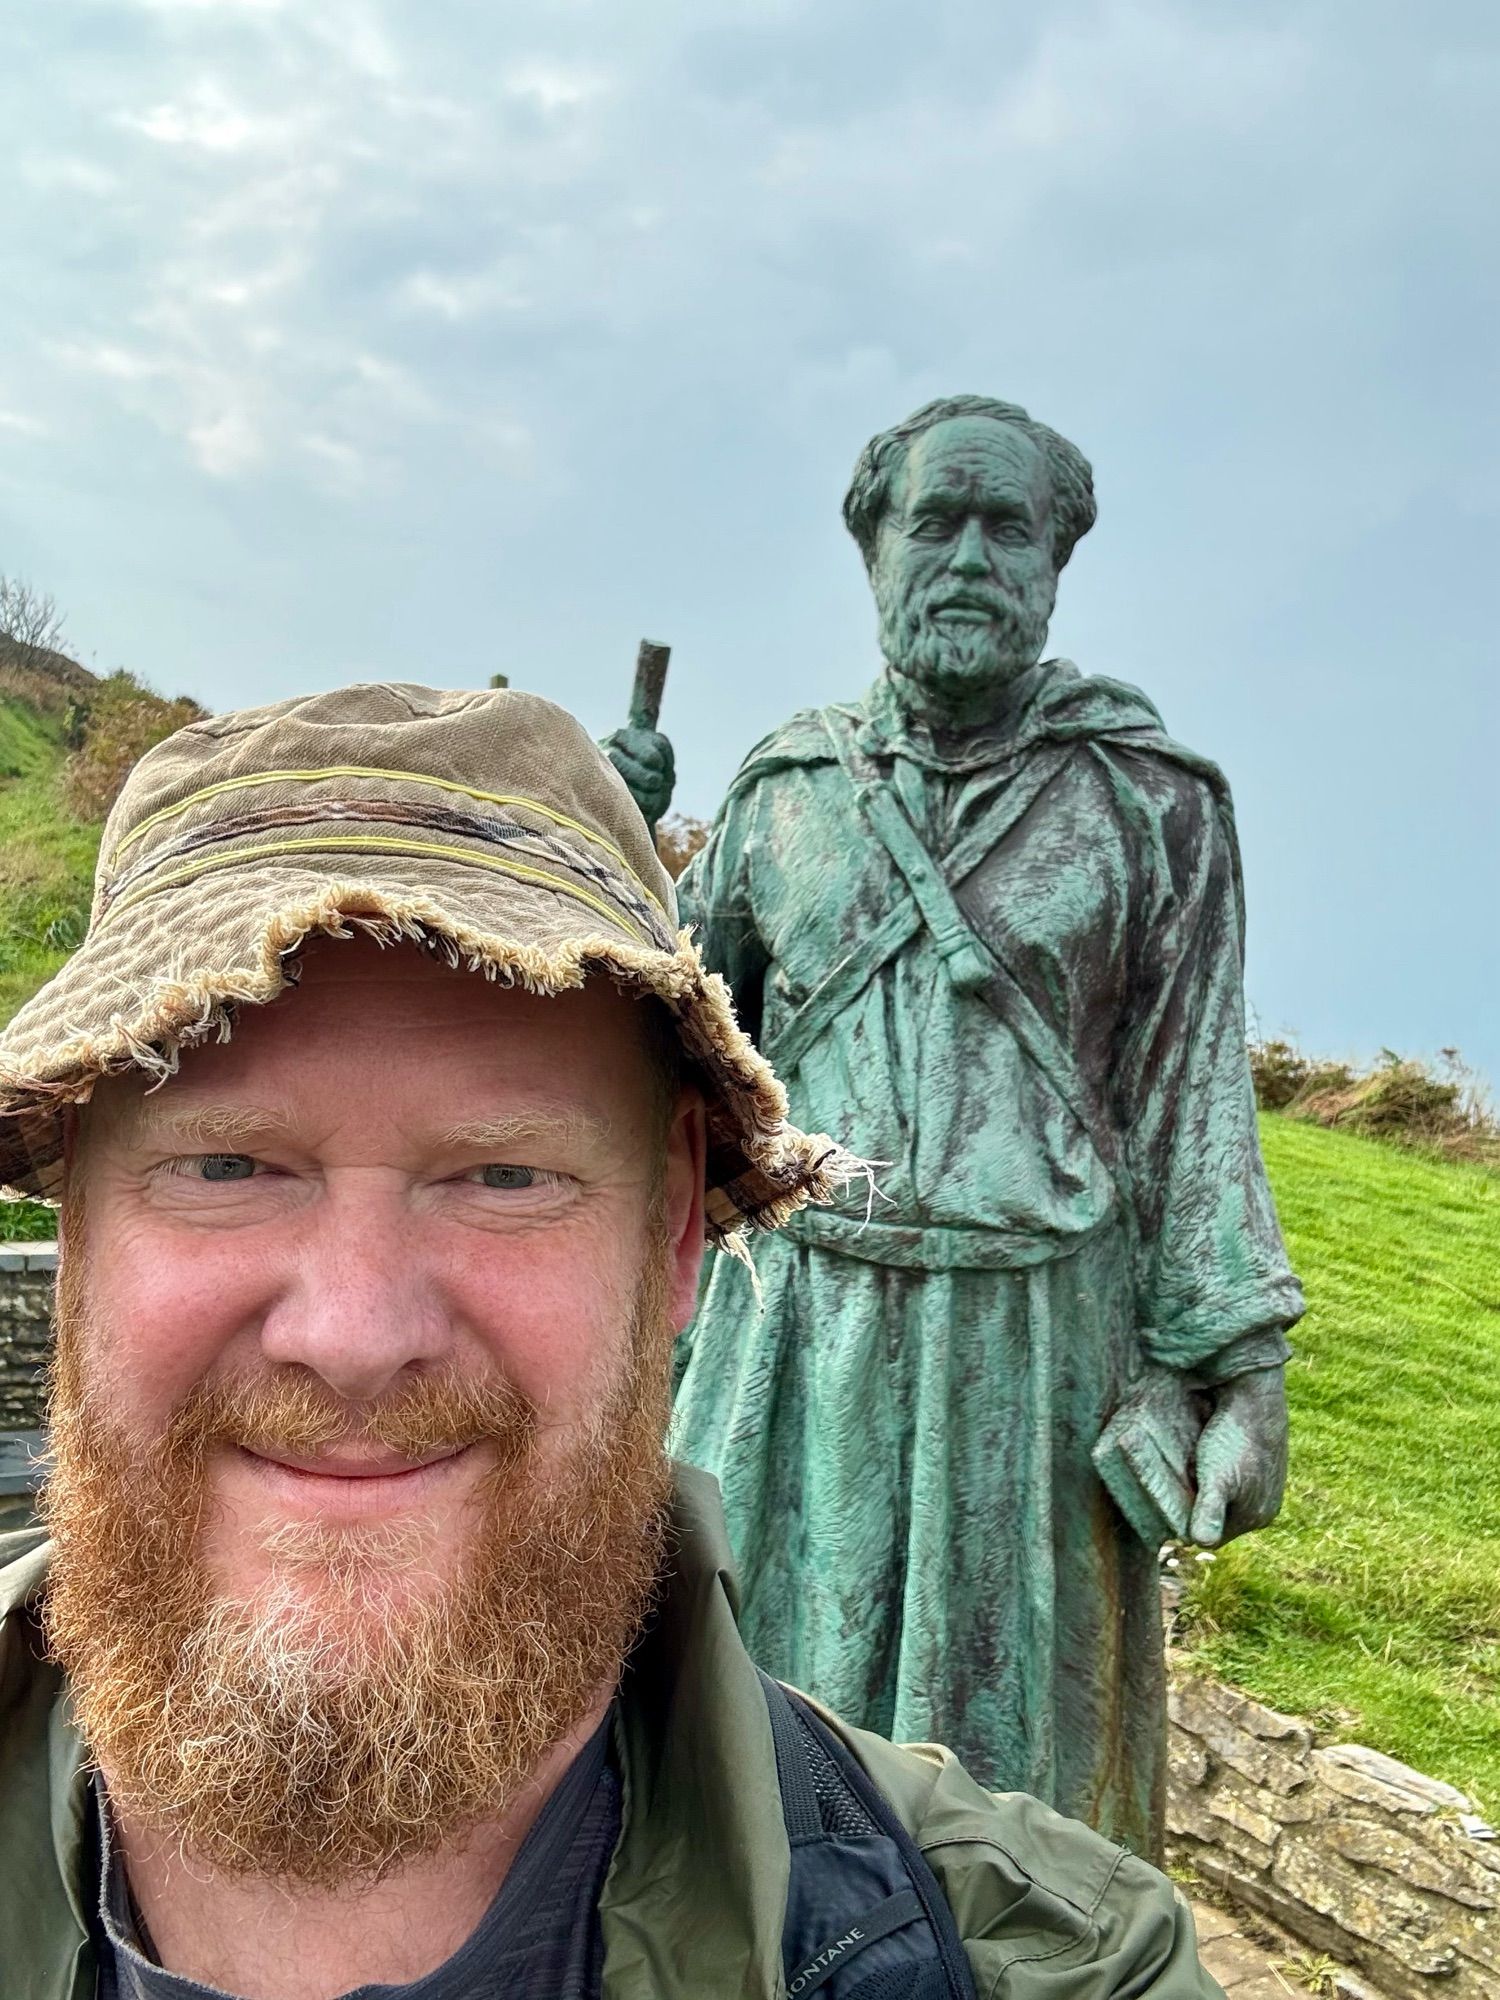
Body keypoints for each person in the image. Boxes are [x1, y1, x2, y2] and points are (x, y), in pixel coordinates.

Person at [0, 681, 1223, 1999]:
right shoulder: (793, 796)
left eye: (506, 1177)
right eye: (229, 1163)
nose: (354, 1334)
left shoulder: (1044, 1964)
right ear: (77, 1225)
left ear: (675, 1237)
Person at [608, 396, 1304, 1858]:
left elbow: (1188, 1100)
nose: (971, 558)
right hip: (788, 1338)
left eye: (1010, 528)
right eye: (937, 522)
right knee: (725, 1747)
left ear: (1058, 560)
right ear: (874, 550)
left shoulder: (1150, 802)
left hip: (1032, 1351)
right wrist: (605, 844)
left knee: (1013, 1795)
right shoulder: (786, 791)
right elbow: (660, 1046)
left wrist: (1238, 1365)